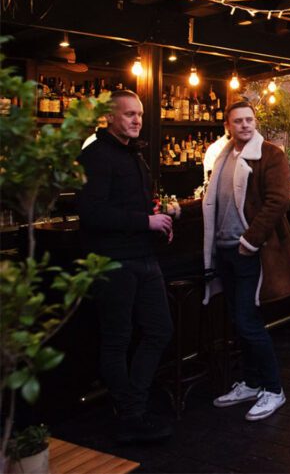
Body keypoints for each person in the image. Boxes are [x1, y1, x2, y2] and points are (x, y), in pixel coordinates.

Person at [77, 89, 174, 444]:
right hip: (113, 259)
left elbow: (137, 206)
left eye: (140, 114)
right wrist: (145, 222)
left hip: (143, 256)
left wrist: (159, 218)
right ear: (111, 117)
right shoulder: (96, 156)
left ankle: (133, 401)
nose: (136, 120)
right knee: (116, 340)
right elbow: (91, 213)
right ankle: (131, 414)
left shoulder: (135, 155)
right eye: (129, 114)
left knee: (160, 330)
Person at [203, 100, 290, 421]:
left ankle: (274, 389)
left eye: (249, 120)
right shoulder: (222, 156)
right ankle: (250, 382)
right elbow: (213, 200)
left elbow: (278, 201)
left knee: (248, 321)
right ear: (228, 126)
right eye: (238, 121)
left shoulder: (270, 154)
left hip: (249, 251)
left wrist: (249, 241)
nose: (245, 125)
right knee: (238, 320)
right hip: (224, 250)